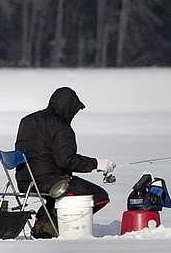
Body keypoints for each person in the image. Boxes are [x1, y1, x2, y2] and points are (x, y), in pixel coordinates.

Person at [15, 85, 116, 236]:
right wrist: (97, 164)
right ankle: (55, 224)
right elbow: (66, 161)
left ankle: (43, 221)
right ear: (68, 108)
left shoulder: (27, 120)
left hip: (25, 181)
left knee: (62, 188)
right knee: (99, 196)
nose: (73, 116)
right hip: (47, 181)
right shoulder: (61, 127)